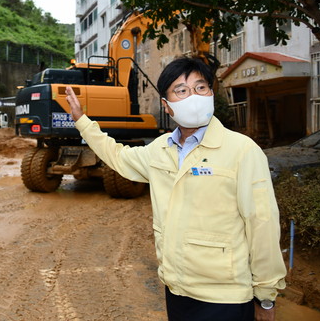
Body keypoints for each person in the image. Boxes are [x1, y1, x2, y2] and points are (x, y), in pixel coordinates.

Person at [65, 57, 286, 321]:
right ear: (167, 106)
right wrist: (82, 122)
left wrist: (266, 295)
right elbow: (118, 157)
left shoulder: (243, 151)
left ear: (211, 93)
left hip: (225, 296)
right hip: (177, 289)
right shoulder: (160, 149)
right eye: (181, 90)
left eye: (200, 88)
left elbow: (262, 224)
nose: (193, 96)